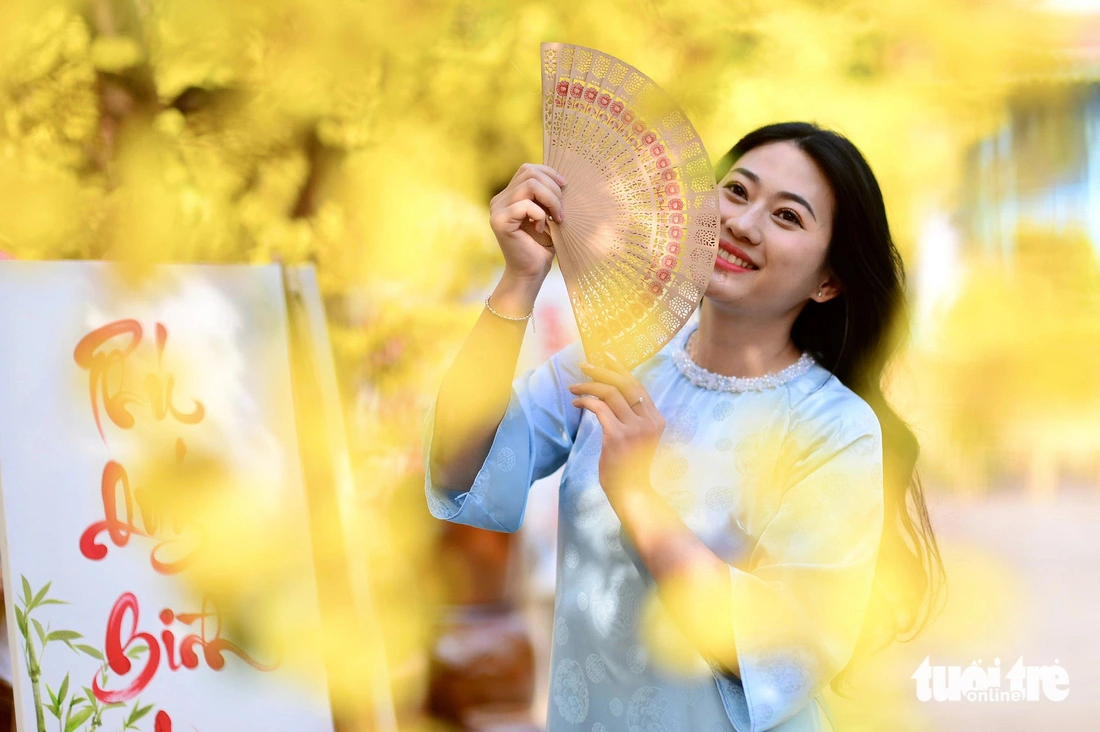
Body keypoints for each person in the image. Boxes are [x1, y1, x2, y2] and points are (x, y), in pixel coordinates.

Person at [424, 122, 944, 731]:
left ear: (829, 281)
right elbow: (461, 466)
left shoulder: (835, 429)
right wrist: (520, 281)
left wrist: (642, 498)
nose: (744, 225)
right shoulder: (616, 356)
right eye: (738, 191)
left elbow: (780, 648)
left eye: (788, 217)